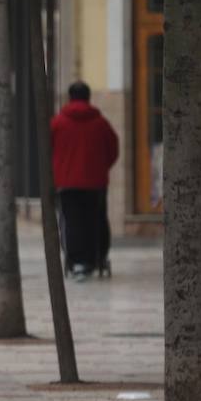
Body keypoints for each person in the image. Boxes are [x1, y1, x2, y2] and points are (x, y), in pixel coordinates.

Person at [50, 80, 119, 280]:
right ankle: (96, 257)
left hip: (66, 183)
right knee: (96, 220)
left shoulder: (57, 123)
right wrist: (101, 167)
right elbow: (113, 149)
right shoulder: (101, 123)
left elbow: (48, 150)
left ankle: (77, 261)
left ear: (70, 98)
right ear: (88, 97)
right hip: (96, 182)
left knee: (71, 221)